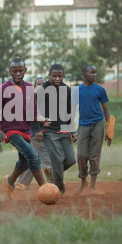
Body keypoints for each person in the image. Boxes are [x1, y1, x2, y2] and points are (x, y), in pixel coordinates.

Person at [0, 57, 49, 199]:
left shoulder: (29, 88)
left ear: (25, 70)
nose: (18, 74)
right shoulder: (3, 88)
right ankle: (45, 189)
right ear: (10, 71)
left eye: (21, 71)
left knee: (25, 161)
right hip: (11, 131)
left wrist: (42, 120)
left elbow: (33, 114)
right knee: (33, 156)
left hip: (26, 132)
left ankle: (10, 181)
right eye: (14, 71)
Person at [35, 64, 77, 196]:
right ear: (49, 76)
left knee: (70, 160)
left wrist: (73, 131)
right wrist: (38, 129)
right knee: (58, 159)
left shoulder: (66, 89)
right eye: (54, 76)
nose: (57, 78)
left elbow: (69, 111)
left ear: (63, 76)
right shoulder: (42, 90)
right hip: (49, 132)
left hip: (64, 130)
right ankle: (59, 188)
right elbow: (33, 111)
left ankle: (52, 172)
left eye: (60, 76)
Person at [71, 65, 112, 195]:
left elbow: (105, 110)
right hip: (83, 126)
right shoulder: (77, 90)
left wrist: (109, 130)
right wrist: (72, 130)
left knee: (94, 156)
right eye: (91, 72)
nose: (94, 75)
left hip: (98, 125)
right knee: (81, 155)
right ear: (84, 74)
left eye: (95, 72)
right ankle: (83, 181)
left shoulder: (100, 90)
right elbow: (72, 111)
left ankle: (92, 187)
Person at [16, 77, 53, 189]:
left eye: (43, 83)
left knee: (35, 158)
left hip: (46, 133)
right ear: (34, 86)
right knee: (43, 158)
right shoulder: (31, 99)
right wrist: (39, 128)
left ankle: (23, 182)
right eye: (38, 84)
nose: (41, 85)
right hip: (35, 133)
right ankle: (52, 184)